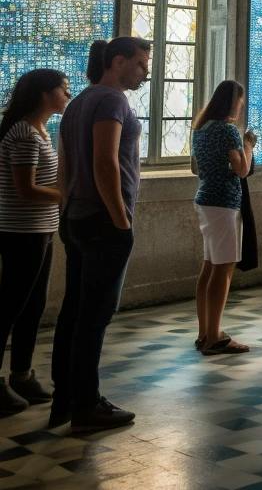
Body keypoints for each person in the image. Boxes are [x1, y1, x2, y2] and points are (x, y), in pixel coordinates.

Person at [49, 36, 150, 433]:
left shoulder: (79, 102)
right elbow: (104, 162)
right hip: (103, 221)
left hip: (77, 216)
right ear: (118, 61)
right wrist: (120, 221)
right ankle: (86, 406)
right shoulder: (111, 101)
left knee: (74, 311)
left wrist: (65, 211)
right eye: (140, 63)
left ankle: (66, 398)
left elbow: (66, 165)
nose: (144, 71)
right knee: (94, 316)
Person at [0, 69, 70, 415]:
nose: (67, 95)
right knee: (11, 306)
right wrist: (65, 195)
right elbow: (25, 189)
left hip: (39, 230)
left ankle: (22, 374)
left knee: (32, 305)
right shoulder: (25, 133)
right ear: (45, 94)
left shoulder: (40, 131)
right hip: (21, 231)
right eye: (63, 89)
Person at [193, 79, 256, 356]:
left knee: (209, 266)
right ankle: (214, 337)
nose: (241, 107)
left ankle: (204, 331)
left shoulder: (201, 128)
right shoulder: (229, 130)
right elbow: (242, 170)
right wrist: (249, 145)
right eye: (240, 101)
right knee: (224, 268)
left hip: (205, 199)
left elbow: (196, 167)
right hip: (224, 203)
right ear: (234, 102)